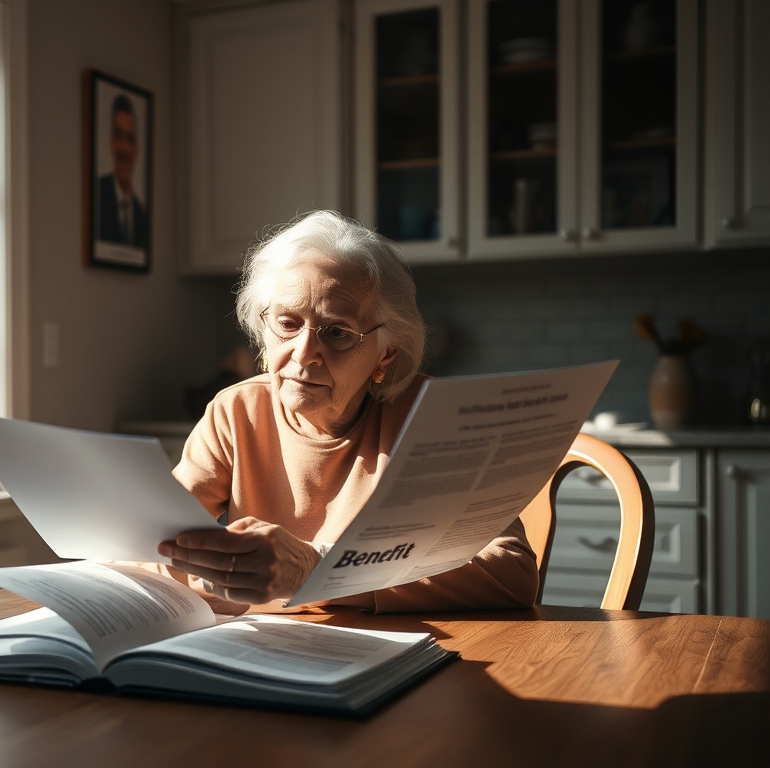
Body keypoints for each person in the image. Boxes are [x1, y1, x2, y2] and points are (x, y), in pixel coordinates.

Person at [157, 211, 539, 613]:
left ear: (386, 352)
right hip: (264, 649)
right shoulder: (236, 411)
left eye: (338, 332)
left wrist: (317, 570)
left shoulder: (435, 419)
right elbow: (147, 540)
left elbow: (511, 574)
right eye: (287, 323)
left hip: (399, 654)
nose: (303, 354)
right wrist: (209, 572)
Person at [96, 93, 148, 248]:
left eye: (130, 139)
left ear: (136, 149)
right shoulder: (98, 195)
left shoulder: (142, 215)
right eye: (119, 136)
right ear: (111, 142)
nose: (124, 148)